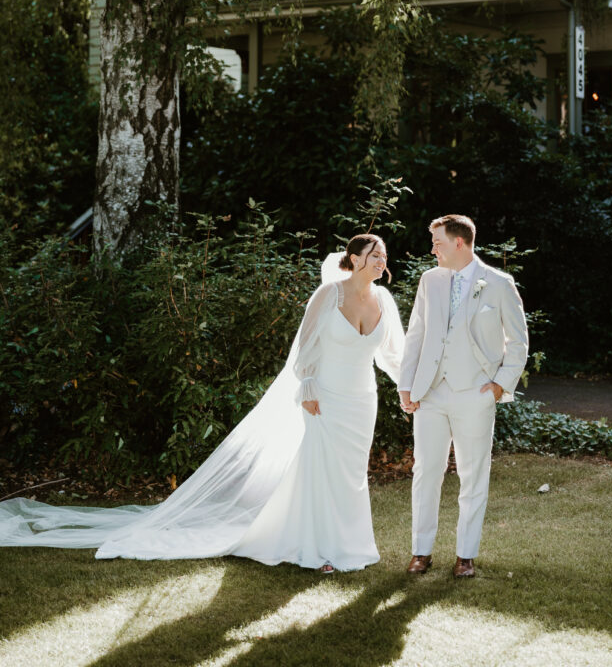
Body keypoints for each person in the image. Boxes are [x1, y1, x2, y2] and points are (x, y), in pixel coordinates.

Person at [0, 234, 405, 571]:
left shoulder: (384, 300)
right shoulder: (328, 294)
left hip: (361, 401)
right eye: (374, 254)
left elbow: (392, 354)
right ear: (353, 259)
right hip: (325, 398)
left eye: (383, 255)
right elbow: (302, 351)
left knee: (351, 474)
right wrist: (309, 388)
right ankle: (319, 551)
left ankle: (353, 546)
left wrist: (409, 388)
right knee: (322, 471)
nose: (381, 260)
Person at [398, 214, 528, 579]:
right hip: (432, 393)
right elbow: (417, 333)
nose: (433, 249)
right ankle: (421, 552)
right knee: (425, 471)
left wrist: (500, 384)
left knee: (473, 474)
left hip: (475, 393)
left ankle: (465, 555)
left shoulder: (499, 284)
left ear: (459, 242)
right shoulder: (430, 281)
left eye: (438, 242)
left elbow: (518, 342)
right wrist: (406, 384)